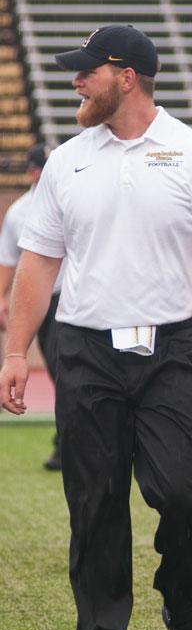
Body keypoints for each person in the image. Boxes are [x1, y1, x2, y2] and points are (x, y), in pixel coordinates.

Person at [0, 25, 192, 630]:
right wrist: (16, 351)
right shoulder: (66, 161)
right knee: (95, 505)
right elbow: (38, 264)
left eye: (88, 72)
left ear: (128, 76)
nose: (76, 82)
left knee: (182, 496)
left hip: (170, 348)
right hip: (83, 350)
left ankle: (185, 609)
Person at [0, 142, 62, 470]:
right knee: (58, 368)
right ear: (33, 172)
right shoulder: (20, 212)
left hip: (78, 296)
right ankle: (70, 440)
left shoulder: (72, 197)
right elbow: (9, 259)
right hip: (46, 300)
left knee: (72, 371)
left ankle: (69, 443)